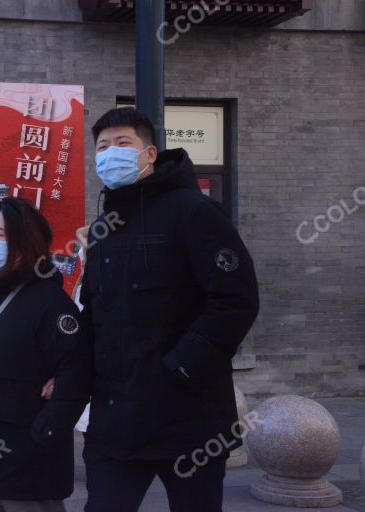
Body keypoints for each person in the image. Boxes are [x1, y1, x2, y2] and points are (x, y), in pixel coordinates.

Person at [80, 108, 260, 512]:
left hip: (188, 421)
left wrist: (180, 367)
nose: (111, 153)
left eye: (123, 143)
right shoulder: (101, 230)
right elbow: (92, 314)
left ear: (150, 153)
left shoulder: (193, 212)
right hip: (115, 424)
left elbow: (235, 300)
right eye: (102, 147)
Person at [0, 197, 92, 512]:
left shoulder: (49, 302)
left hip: (27, 463)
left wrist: (44, 435)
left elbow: (76, 373)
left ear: (25, 240)